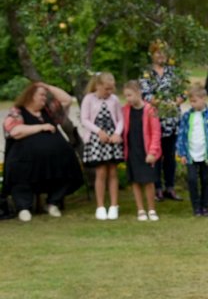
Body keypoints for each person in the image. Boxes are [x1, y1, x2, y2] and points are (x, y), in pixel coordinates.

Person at [1, 82, 83, 222]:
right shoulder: (17, 111)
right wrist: (41, 127)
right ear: (31, 96)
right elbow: (15, 131)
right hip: (25, 158)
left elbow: (67, 99)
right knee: (20, 172)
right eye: (41, 95)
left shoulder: (49, 110)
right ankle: (24, 207)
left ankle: (53, 202)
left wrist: (47, 86)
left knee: (68, 168)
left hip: (54, 158)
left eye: (45, 95)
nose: (45, 98)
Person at [140, 40, 187, 202]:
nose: (161, 55)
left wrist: (175, 102)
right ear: (152, 54)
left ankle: (170, 187)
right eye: (158, 52)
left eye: (164, 52)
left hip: (172, 120)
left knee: (170, 155)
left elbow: (183, 92)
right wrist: (162, 104)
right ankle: (157, 188)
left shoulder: (174, 72)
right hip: (155, 119)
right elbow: (145, 94)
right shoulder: (146, 73)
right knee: (156, 154)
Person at [79, 72, 124, 220]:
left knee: (113, 172)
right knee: (101, 172)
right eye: (106, 89)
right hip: (97, 139)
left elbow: (120, 119)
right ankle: (100, 206)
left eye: (111, 89)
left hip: (112, 139)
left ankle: (114, 206)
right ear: (98, 86)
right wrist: (98, 132)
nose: (109, 92)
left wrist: (117, 133)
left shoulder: (114, 100)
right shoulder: (89, 99)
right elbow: (84, 119)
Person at [176, 86, 208, 217]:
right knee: (192, 180)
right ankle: (196, 207)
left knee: (206, 180)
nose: (192, 104)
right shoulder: (186, 116)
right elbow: (181, 135)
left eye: (194, 101)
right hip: (191, 155)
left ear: (203, 99)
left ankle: (205, 207)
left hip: (206, 156)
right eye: (191, 101)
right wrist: (182, 153)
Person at [121, 80, 161, 222]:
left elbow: (156, 132)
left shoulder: (150, 110)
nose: (128, 99)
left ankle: (151, 209)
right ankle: (140, 209)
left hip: (146, 151)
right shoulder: (125, 110)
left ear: (139, 93)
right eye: (126, 96)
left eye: (130, 95)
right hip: (132, 150)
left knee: (148, 181)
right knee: (135, 181)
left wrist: (153, 152)